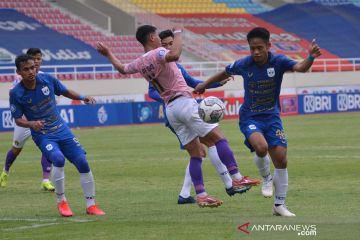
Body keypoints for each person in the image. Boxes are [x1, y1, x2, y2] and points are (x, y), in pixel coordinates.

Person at [97, 25, 260, 208]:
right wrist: (179, 33)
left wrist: (108, 53)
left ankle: (201, 195)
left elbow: (122, 68)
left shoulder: (139, 62)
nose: (160, 40)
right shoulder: (158, 52)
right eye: (158, 37)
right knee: (219, 138)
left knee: (196, 154)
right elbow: (174, 55)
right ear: (152, 37)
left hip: (171, 110)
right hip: (183, 102)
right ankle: (236, 178)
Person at [194, 27, 321, 216]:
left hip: (272, 117)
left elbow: (301, 68)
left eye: (260, 48)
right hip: (250, 117)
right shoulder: (244, 64)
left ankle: (279, 206)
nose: (255, 52)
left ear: (269, 46)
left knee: (281, 159)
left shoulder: (278, 61)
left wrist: (310, 57)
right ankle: (266, 178)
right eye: (252, 48)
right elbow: (224, 72)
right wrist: (205, 84)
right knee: (261, 147)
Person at [150, 29, 247, 205]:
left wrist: (217, 82)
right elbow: (152, 91)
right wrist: (169, 96)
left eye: (172, 43)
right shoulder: (159, 64)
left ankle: (187, 194)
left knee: (199, 152)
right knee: (211, 143)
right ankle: (231, 182)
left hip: (178, 111)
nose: (170, 47)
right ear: (160, 46)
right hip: (177, 112)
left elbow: (193, 83)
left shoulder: (175, 66)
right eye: (166, 44)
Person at [9, 54, 105, 217]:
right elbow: (18, 120)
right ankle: (62, 202)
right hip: (43, 134)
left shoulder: (47, 79)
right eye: (26, 69)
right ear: (19, 72)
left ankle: (91, 205)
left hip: (62, 129)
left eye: (33, 67)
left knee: (82, 161)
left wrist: (83, 97)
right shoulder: (16, 93)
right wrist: (31, 123)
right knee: (58, 159)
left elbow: (65, 91)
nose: (31, 71)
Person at [0, 48, 54, 191]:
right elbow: (15, 97)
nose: (36, 62)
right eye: (34, 59)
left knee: (48, 147)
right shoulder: (21, 79)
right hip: (24, 121)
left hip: (41, 121)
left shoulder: (45, 77)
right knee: (16, 149)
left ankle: (46, 180)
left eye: (39, 58)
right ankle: (5, 171)